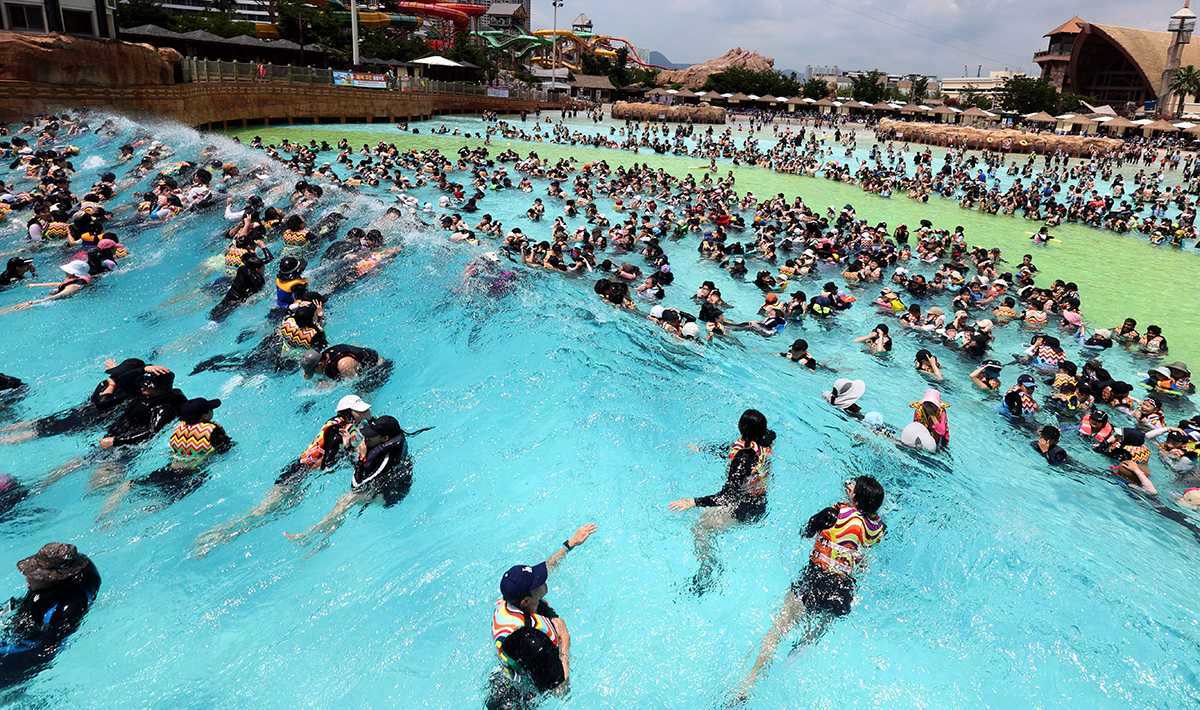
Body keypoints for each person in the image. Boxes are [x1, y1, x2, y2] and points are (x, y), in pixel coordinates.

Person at [738, 477, 885, 697]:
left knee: (777, 631)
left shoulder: (831, 515)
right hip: (843, 592)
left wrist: (846, 504)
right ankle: (793, 660)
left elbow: (806, 531)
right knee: (813, 635)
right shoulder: (879, 528)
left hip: (815, 581)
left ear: (854, 496)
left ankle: (747, 685)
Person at [191, 395, 375, 557]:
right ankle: (216, 535)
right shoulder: (337, 433)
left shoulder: (340, 422)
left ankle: (223, 534)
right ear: (349, 413)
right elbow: (326, 466)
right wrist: (347, 457)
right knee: (262, 510)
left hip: (298, 472)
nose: (366, 412)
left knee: (273, 512)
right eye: (361, 411)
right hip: (296, 475)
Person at [487, 523, 598, 709]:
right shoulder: (532, 643)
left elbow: (546, 568)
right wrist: (565, 640)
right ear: (525, 602)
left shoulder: (509, 600)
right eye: (537, 583)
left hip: (503, 680)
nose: (543, 580)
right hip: (518, 702)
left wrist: (569, 545)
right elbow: (560, 690)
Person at [668, 409, 776, 594]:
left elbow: (726, 497)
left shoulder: (743, 458)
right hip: (759, 501)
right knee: (705, 517)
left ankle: (709, 571)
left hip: (746, 510)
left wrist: (693, 501)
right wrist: (703, 449)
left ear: (740, 428)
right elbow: (735, 452)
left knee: (700, 529)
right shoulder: (767, 439)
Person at [284, 415, 413, 546]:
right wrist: (348, 447)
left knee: (349, 499)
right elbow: (362, 465)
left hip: (392, 493)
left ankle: (309, 533)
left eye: (371, 436)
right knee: (344, 502)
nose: (366, 438)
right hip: (380, 481)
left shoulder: (387, 459)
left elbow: (356, 485)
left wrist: (361, 456)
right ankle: (322, 541)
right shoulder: (383, 441)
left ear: (385, 439)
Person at [0, 358, 169, 445]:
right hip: (81, 413)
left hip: (85, 420)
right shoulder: (110, 384)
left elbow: (102, 403)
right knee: (38, 424)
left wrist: (112, 383)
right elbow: (96, 399)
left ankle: (4, 441)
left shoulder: (128, 391)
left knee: (40, 430)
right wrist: (112, 380)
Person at [0, 543, 101, 687]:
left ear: (52, 579)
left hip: (33, 649)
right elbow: (21, 605)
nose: (27, 579)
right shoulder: (56, 583)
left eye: (35, 576)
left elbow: (47, 650)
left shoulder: (68, 609)